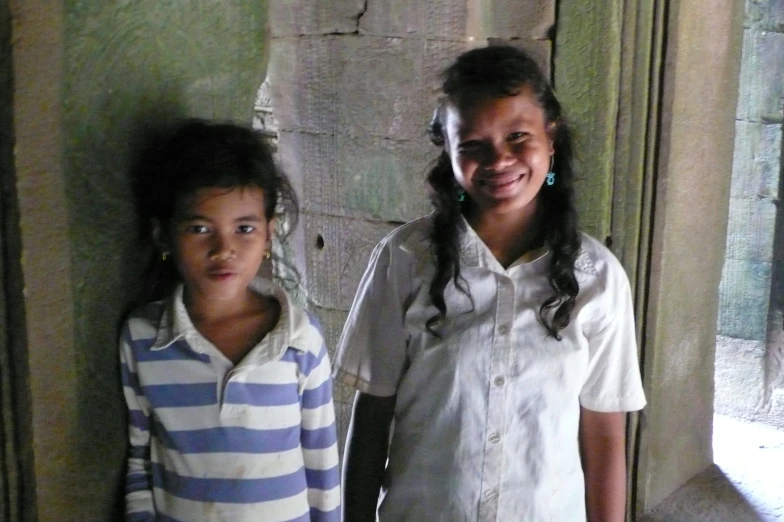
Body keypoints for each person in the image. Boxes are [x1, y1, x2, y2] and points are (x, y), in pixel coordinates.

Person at [334, 45, 646, 522]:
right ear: (449, 153)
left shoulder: (598, 277)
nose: (499, 160)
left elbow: (603, 432)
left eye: (518, 136)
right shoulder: (405, 260)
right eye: (473, 145)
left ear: (552, 138)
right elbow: (373, 414)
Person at [120, 120, 340, 522]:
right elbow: (140, 459)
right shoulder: (142, 339)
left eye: (244, 228)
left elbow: (322, 466)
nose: (224, 249)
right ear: (164, 237)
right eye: (200, 228)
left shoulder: (299, 340)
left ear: (269, 235)